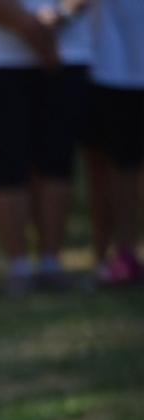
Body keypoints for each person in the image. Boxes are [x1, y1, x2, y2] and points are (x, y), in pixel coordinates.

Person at [0, 0, 91, 293]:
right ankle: (18, 267)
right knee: (8, 161)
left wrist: (61, 15)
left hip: (67, 49)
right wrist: (29, 25)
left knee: (58, 159)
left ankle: (51, 263)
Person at [87, 0, 142, 285]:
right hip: (105, 67)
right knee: (104, 165)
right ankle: (108, 255)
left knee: (126, 168)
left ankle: (125, 253)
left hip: (126, 69)